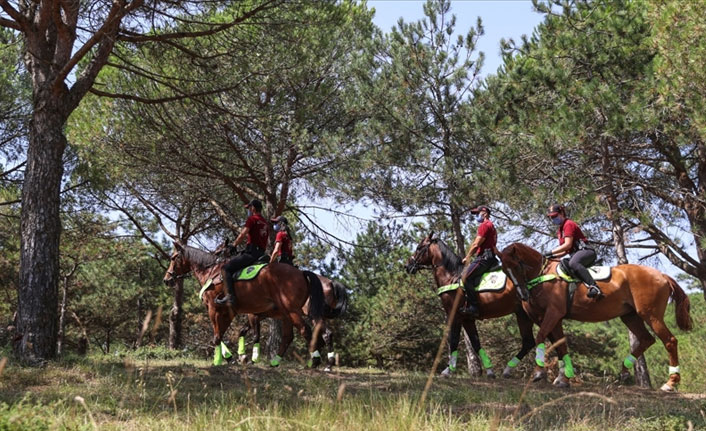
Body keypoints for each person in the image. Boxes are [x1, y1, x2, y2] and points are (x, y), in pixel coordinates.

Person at [215, 199, 269, 306]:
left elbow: (242, 235)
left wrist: (233, 245)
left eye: (249, 208)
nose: (248, 210)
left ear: (253, 208)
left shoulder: (252, 219)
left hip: (251, 254)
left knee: (225, 269)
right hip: (261, 253)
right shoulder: (265, 222)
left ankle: (230, 297)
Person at [543, 204, 602, 298]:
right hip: (574, 253)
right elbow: (565, 251)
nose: (553, 219)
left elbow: (567, 245)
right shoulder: (560, 231)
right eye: (551, 217)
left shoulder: (568, 224)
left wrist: (550, 252)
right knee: (563, 263)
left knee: (573, 263)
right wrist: (552, 257)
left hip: (586, 251)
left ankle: (594, 286)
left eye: (555, 216)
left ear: (562, 213)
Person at [460, 205, 500, 317]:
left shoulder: (484, 225)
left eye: (478, 213)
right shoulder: (492, 227)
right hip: (491, 258)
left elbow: (476, 244)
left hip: (484, 258)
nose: (476, 216)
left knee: (465, 277)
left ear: (485, 213)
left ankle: (474, 307)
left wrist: (467, 257)